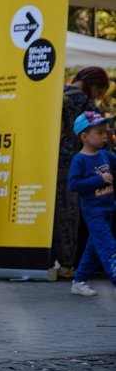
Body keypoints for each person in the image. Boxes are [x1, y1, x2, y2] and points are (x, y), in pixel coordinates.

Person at [55, 66, 111, 279]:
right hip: (80, 164)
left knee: (59, 215)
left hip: (52, 163)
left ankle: (59, 262)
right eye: (99, 91)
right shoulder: (86, 104)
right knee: (74, 216)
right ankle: (70, 263)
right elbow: (100, 139)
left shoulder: (58, 94)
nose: (97, 97)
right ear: (94, 86)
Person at [67, 111, 116, 297]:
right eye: (99, 132)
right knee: (109, 247)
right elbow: (74, 184)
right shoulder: (79, 160)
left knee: (94, 247)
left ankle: (79, 281)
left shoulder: (105, 155)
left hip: (108, 207)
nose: (104, 136)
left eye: (105, 132)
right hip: (93, 211)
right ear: (85, 137)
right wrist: (99, 180)